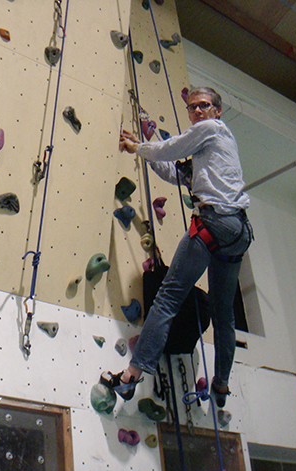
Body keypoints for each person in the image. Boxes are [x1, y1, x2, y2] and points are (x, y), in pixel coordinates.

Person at [104, 87, 253, 407]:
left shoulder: (211, 130)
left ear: (217, 111)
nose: (197, 111)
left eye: (204, 106)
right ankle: (222, 385)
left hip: (214, 223)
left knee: (168, 298)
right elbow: (174, 170)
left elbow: (169, 149)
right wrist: (141, 149)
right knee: (223, 312)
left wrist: (140, 146)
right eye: (192, 107)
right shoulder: (211, 156)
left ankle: (132, 374)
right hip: (237, 232)